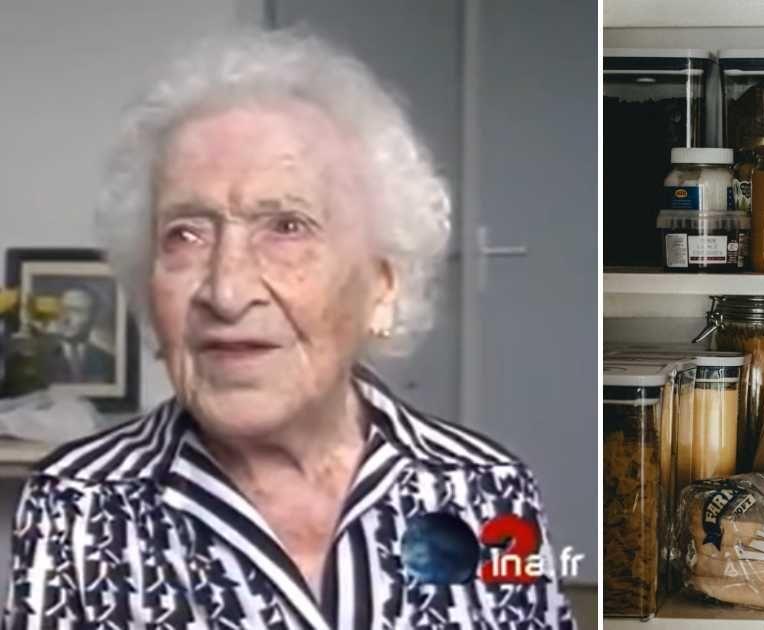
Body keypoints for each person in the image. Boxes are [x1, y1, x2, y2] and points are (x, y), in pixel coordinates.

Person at [5, 30, 575, 629]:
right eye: (186, 234)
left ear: (382, 285)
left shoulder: (484, 490)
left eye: (286, 227)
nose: (226, 291)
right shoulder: (77, 504)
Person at [45, 286, 115, 383]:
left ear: (93, 317)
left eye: (76, 311)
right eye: (62, 310)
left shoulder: (108, 361)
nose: (65, 319)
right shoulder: (38, 355)